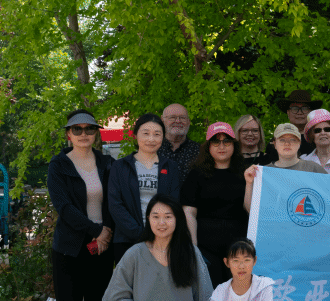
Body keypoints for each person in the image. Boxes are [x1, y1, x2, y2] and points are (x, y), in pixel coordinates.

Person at [47, 110, 115, 301]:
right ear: (68, 134)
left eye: (89, 129)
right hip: (70, 245)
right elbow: (64, 207)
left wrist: (106, 231)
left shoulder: (107, 163)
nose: (84, 134)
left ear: (96, 133)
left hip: (103, 243)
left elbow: (115, 200)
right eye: (77, 129)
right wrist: (97, 230)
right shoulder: (59, 165)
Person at [180, 123, 253, 286]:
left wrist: (249, 183)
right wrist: (194, 247)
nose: (221, 146)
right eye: (216, 142)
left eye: (226, 141)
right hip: (206, 246)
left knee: (238, 292)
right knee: (210, 292)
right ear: (208, 146)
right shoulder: (196, 174)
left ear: (234, 145)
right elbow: (189, 212)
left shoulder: (246, 172)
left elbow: (250, 209)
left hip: (239, 247)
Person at [108, 113, 181, 264]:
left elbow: (174, 203)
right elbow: (115, 204)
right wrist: (140, 234)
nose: (151, 139)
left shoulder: (171, 167)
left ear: (163, 137)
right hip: (126, 240)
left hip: (162, 238)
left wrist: (158, 233)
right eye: (146, 133)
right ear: (135, 135)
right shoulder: (120, 166)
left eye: (157, 134)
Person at [158, 103, 200, 185]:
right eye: (172, 117)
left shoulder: (199, 151)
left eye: (182, 118)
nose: (178, 121)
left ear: (188, 121)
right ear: (162, 120)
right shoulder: (153, 149)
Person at [277, 89, 320, 155]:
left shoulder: (319, 138)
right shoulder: (278, 140)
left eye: (304, 108)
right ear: (288, 112)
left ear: (310, 112)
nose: (299, 112)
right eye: (295, 109)